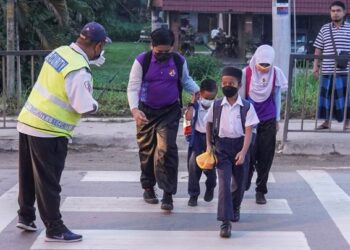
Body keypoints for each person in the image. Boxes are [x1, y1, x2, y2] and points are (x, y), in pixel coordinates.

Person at [16, 21, 111, 242]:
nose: (102, 51)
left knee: (28, 175)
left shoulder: (60, 52)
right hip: (50, 130)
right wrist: (95, 104)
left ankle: (26, 215)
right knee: (49, 182)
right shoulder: (79, 69)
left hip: (28, 121)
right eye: (102, 47)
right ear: (97, 46)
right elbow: (83, 105)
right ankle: (55, 229)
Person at [127, 28, 199, 211]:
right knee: (147, 151)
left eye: (167, 51)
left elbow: (186, 81)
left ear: (173, 48)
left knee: (166, 150)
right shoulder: (142, 61)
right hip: (145, 112)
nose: (163, 55)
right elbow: (133, 87)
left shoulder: (178, 61)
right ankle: (148, 187)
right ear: (152, 46)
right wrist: (135, 110)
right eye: (159, 52)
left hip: (169, 111)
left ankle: (168, 194)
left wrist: (197, 91)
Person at [205, 67, 259, 238]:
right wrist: (208, 145)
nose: (228, 86)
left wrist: (243, 152)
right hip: (222, 148)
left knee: (240, 183)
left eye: (232, 83)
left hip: (240, 146)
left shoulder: (247, 107)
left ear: (239, 85)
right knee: (224, 184)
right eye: (225, 83)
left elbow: (249, 130)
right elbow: (208, 124)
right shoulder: (216, 106)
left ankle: (235, 207)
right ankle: (225, 222)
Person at [240, 45, 288, 204]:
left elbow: (277, 98)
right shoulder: (246, 73)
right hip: (249, 121)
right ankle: (245, 179)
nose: (265, 68)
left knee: (266, 156)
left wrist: (277, 120)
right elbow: (241, 98)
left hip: (268, 119)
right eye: (262, 65)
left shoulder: (276, 73)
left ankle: (261, 190)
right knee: (249, 154)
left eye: (268, 65)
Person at [313, 0, 350, 129]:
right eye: (333, 11)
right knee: (327, 97)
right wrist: (315, 66)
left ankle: (347, 123)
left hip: (346, 70)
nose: (335, 13)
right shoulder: (324, 29)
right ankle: (326, 122)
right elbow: (318, 49)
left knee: (346, 97)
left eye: (338, 11)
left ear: (344, 12)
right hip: (328, 70)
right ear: (330, 13)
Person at [184, 79, 218, 207]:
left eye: (212, 98)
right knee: (193, 167)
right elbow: (188, 117)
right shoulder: (196, 105)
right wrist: (193, 102)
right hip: (197, 139)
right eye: (206, 97)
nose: (208, 100)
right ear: (200, 94)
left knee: (211, 169)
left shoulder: (217, 106)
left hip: (212, 140)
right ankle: (193, 195)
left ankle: (210, 186)